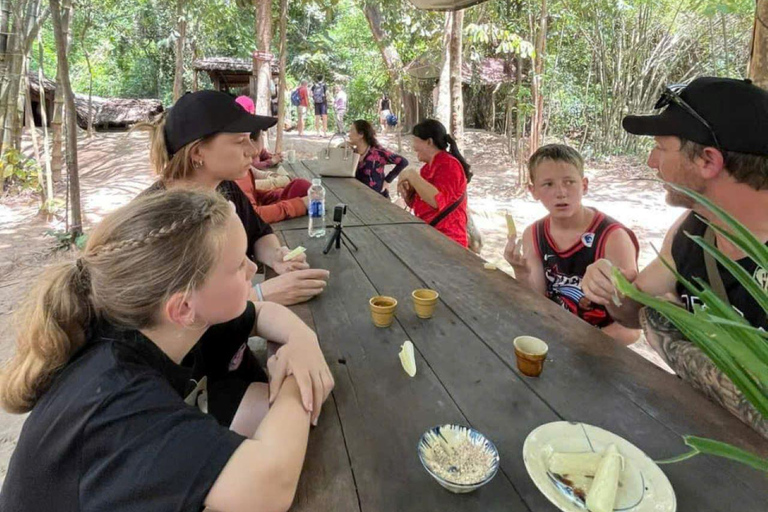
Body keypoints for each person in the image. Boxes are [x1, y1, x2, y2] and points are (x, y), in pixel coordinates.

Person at [0, 189, 334, 511]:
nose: (252, 269)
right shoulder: (119, 397)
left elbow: (263, 313)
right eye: (237, 266)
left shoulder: (163, 324)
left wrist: (303, 342)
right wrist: (297, 381)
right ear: (183, 307)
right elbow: (270, 487)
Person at [581, 77, 768, 436]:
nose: (651, 162)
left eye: (660, 148)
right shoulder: (693, 229)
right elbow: (634, 311)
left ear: (708, 160)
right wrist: (611, 285)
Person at [136, 90, 329, 307]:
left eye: (250, 138)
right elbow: (174, 313)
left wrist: (276, 256)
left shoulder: (224, 187)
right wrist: (258, 296)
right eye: (239, 141)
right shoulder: (157, 219)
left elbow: (258, 232)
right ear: (197, 152)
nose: (254, 151)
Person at [503, 144, 641, 345]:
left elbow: (631, 328)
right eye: (548, 184)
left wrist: (577, 344)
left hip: (599, 347)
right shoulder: (534, 234)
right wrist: (521, 273)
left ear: (584, 185)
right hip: (551, 337)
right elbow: (537, 299)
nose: (561, 193)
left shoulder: (613, 237)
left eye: (569, 182)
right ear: (533, 191)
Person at [397, 119, 470, 247]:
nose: (413, 147)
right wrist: (408, 193)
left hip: (449, 240)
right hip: (428, 236)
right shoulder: (426, 169)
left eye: (415, 141)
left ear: (429, 142)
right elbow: (421, 205)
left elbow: (437, 201)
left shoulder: (449, 164)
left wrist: (412, 176)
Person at [235, 131, 312, 223]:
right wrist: (300, 204)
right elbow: (252, 216)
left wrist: (277, 194)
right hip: (259, 224)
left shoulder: (239, 167)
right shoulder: (233, 173)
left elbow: (252, 191)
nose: (253, 150)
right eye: (240, 141)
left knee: (301, 185)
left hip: (262, 205)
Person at [347, 119, 408, 198]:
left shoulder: (378, 152)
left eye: (351, 130)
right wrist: (340, 148)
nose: (349, 134)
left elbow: (403, 162)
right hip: (358, 197)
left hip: (378, 198)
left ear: (361, 134)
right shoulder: (351, 152)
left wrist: (387, 180)